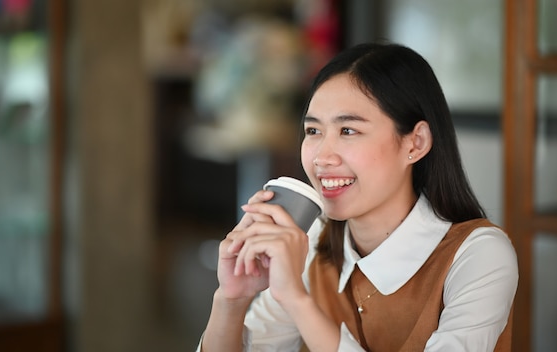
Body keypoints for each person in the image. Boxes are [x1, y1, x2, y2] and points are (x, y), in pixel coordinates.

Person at [196, 42, 518, 352]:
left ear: (415, 143)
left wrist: (296, 298)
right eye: (313, 131)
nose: (322, 157)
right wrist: (232, 298)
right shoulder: (312, 241)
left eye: (348, 131)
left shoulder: (479, 255)